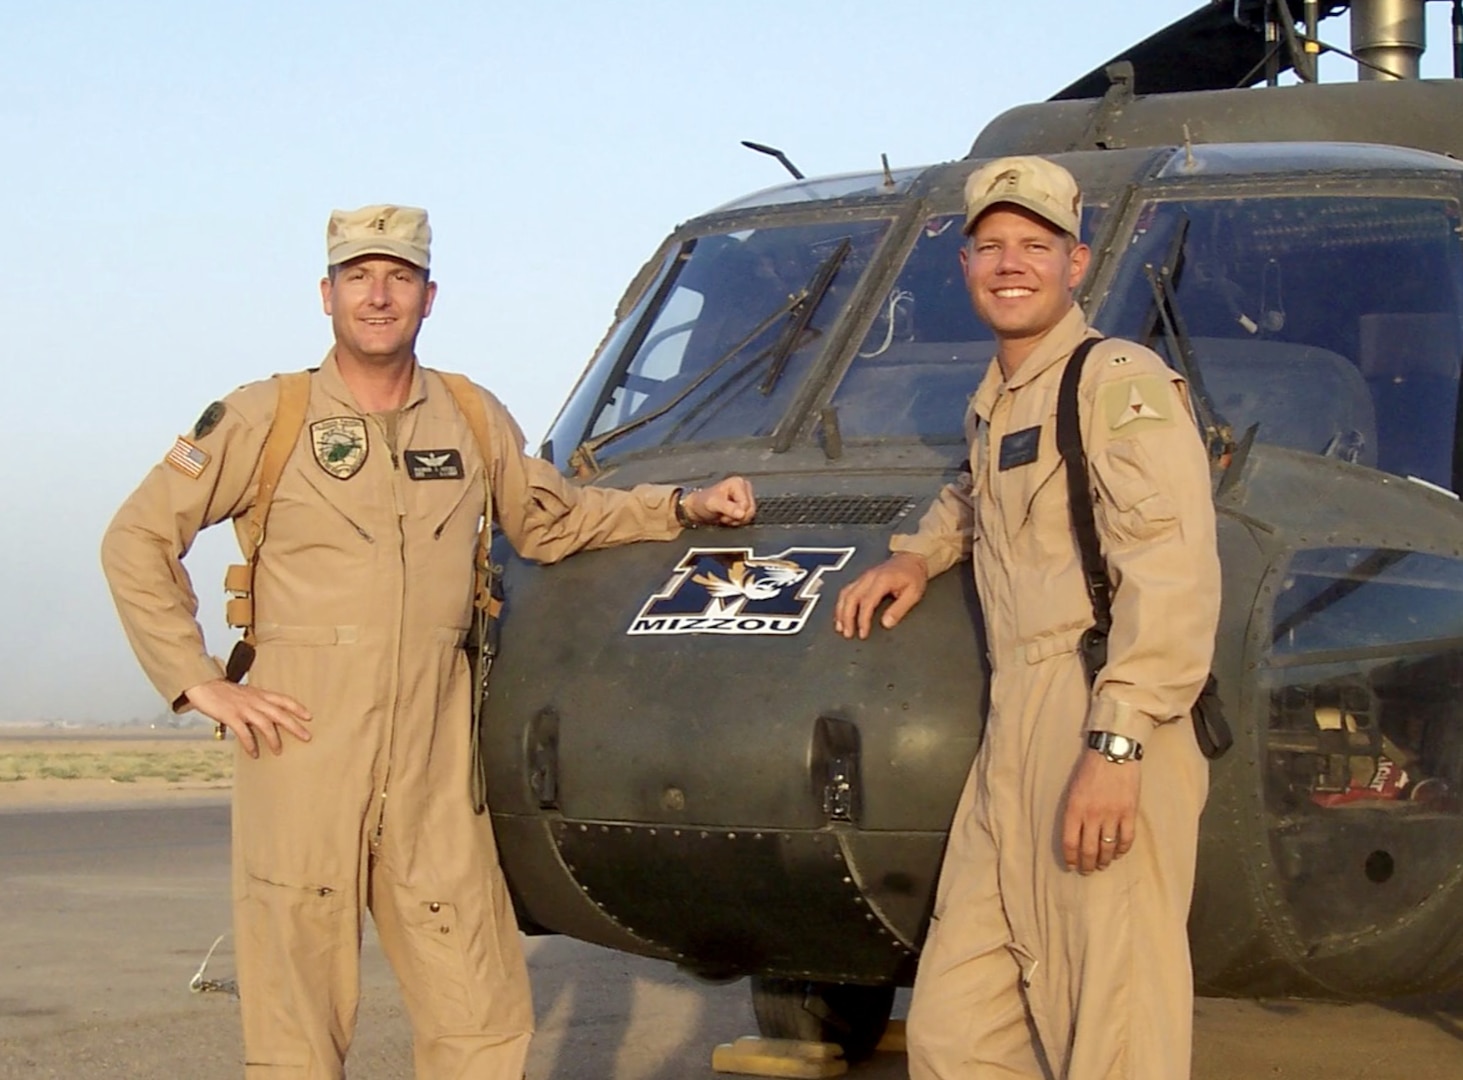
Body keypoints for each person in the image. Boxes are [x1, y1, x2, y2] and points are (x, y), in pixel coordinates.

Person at [100, 204, 756, 1080]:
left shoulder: (469, 414)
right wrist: (197, 682)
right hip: (302, 736)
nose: (379, 296)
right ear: (325, 295)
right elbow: (137, 538)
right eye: (360, 277)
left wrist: (680, 505)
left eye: (399, 277)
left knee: (477, 1000)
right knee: (296, 1011)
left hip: (434, 748)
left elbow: (551, 521)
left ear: (429, 295)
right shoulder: (267, 415)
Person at [833, 157, 1219, 1079]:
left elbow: (1170, 573)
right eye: (992, 246)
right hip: (1014, 724)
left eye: (1034, 246)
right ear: (964, 263)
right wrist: (919, 552)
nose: (1012, 264)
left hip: (1099, 707)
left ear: (1076, 263)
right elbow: (979, 495)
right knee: (955, 1033)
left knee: (1112, 1030)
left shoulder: (1113, 380)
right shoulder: (999, 397)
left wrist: (1116, 746)